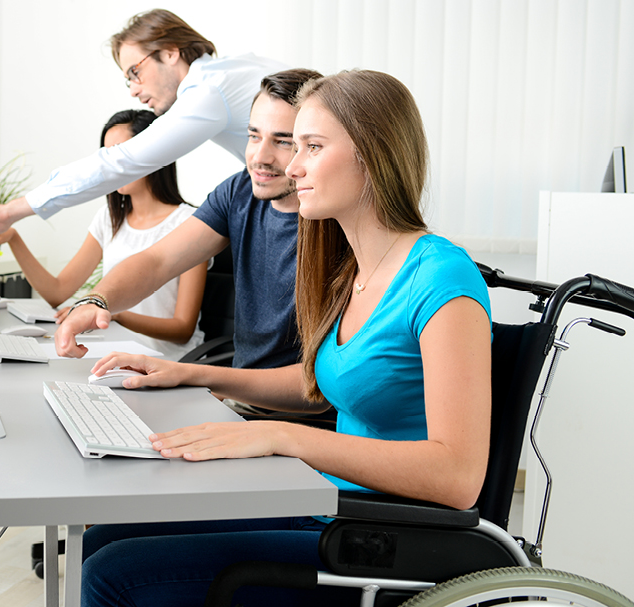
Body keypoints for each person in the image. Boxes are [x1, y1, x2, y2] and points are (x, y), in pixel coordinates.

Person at [79, 70, 493, 606]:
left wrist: (284, 436)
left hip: (381, 538)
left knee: (116, 572)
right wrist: (190, 373)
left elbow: (457, 477)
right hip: (329, 501)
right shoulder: (356, 270)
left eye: (311, 147)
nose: (291, 167)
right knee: (104, 537)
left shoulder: (441, 278)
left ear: (373, 154)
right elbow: (317, 383)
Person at [54, 69, 320, 391]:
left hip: (299, 412)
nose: (259, 157)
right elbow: (157, 261)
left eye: (282, 141)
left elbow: (323, 385)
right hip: (240, 396)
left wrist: (194, 377)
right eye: (253, 136)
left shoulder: (336, 219)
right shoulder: (238, 192)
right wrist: (97, 301)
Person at [0, 9, 286, 237]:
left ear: (170, 52)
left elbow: (123, 161)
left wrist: (12, 210)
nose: (133, 90)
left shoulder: (210, 90)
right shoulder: (233, 71)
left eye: (135, 72)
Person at [0, 109, 208, 360]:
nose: (112, 164)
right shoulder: (108, 220)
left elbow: (183, 329)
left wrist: (110, 309)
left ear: (152, 152)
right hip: (116, 351)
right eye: (107, 155)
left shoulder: (190, 223)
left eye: (121, 152)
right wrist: (13, 238)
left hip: (166, 361)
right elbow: (57, 292)